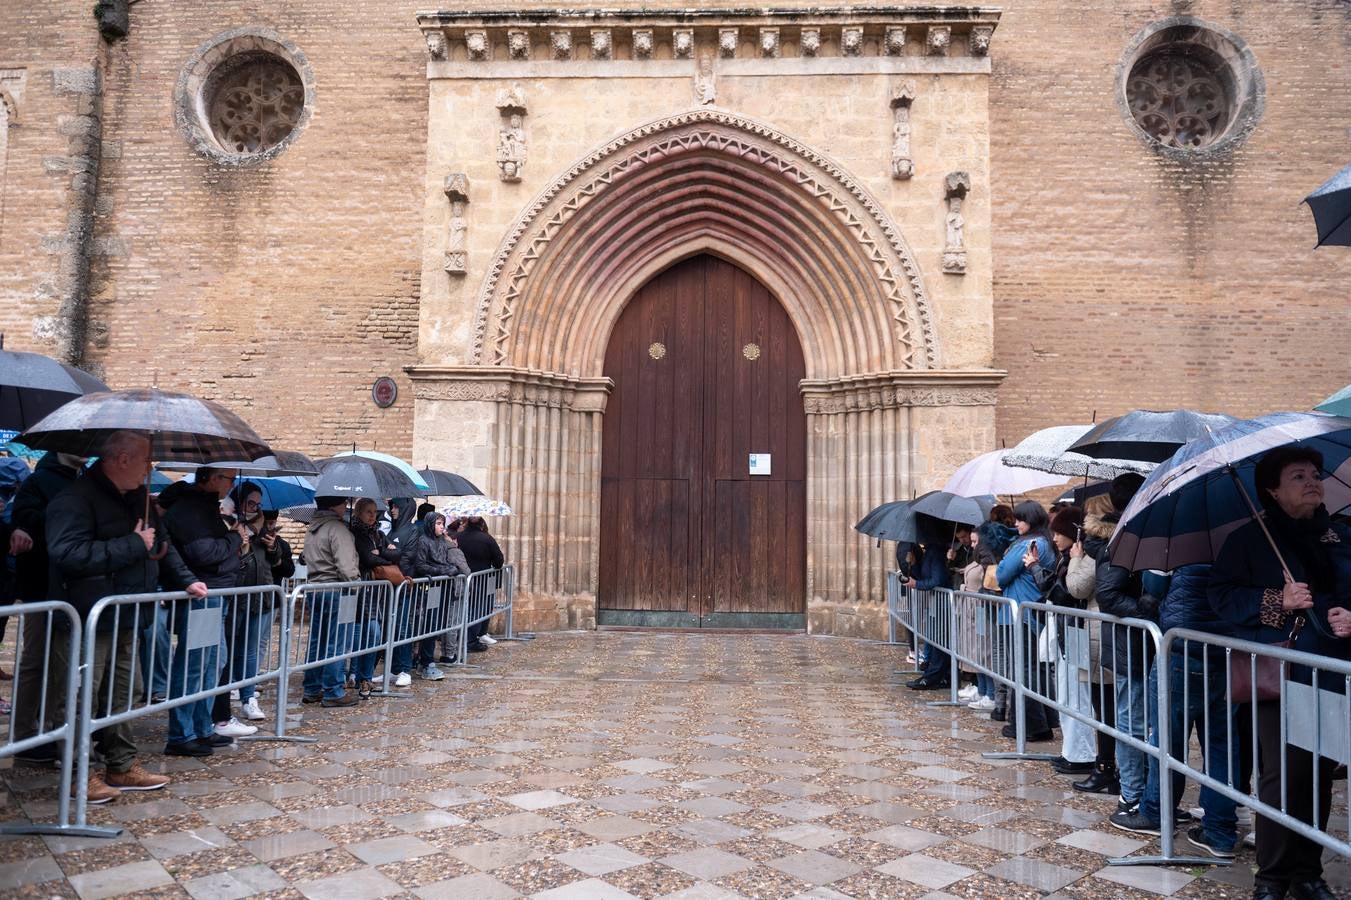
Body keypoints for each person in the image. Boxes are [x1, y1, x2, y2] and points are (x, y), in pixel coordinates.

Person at [1209, 447, 1351, 900]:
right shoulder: (1249, 541)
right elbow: (1222, 600)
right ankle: (1272, 876)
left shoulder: (1340, 536)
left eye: (1315, 474)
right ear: (1272, 489)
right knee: (1281, 775)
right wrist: (1276, 601)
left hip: (1329, 670)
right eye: (1297, 476)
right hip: (1279, 670)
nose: (1312, 482)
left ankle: (1308, 872)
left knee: (1319, 773)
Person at [46, 430, 207, 802]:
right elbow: (68, 553)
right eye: (145, 460)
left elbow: (162, 546)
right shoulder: (74, 499)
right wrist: (132, 544)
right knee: (79, 695)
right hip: (86, 617)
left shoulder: (137, 500)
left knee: (124, 693)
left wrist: (187, 581)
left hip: (126, 614)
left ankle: (121, 764)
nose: (149, 468)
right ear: (122, 459)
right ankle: (76, 774)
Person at [158, 467, 258, 754]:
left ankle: (202, 726)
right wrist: (235, 538)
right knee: (195, 664)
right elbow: (204, 553)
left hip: (215, 592)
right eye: (228, 478)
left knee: (215, 661)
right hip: (203, 594)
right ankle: (182, 733)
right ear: (212, 479)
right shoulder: (190, 510)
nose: (231, 484)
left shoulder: (204, 508)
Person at [1093, 473, 1162, 820]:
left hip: (1144, 647)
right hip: (1130, 647)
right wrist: (1146, 610)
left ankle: (1147, 793)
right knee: (1131, 721)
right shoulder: (1122, 539)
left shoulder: (1139, 534)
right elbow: (1107, 594)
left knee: (1145, 722)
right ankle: (1131, 794)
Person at [9, 451, 84, 766]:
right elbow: (25, 519)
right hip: (42, 585)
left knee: (65, 664)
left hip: (74, 586)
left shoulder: (85, 482)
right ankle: (24, 735)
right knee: (36, 660)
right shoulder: (38, 481)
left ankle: (54, 730)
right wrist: (66, 512)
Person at [1028, 507, 1096, 777]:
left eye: (1059, 532)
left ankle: (1082, 755)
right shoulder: (1066, 558)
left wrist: (1034, 567)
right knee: (1066, 694)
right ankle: (1072, 751)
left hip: (1075, 632)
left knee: (1077, 696)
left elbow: (1065, 592)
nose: (1054, 538)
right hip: (1065, 632)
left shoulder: (1079, 558)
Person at [1065, 492, 1119, 796]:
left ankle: (1106, 767)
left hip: (1100, 633)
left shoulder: (1097, 548)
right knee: (1117, 708)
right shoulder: (1126, 540)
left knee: (1106, 708)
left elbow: (1078, 587)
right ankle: (1114, 768)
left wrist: (1075, 561)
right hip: (1115, 635)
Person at [994, 500, 1058, 742]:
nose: (1016, 523)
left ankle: (1032, 726)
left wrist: (1007, 554)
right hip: (1030, 613)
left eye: (1020, 519)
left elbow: (1002, 574)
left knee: (1027, 671)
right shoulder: (1044, 541)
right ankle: (1041, 723)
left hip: (1023, 614)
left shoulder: (1031, 544)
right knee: (1035, 670)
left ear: (1031, 520)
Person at [229, 481, 288, 722]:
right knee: (232, 647)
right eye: (250, 503)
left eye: (258, 504)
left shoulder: (265, 528)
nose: (255, 508)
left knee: (252, 649)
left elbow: (276, 563)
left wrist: (273, 548)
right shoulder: (231, 525)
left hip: (262, 593)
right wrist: (239, 542)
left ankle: (248, 697)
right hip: (237, 593)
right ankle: (227, 692)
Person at [301, 496, 361, 707]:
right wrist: (355, 583)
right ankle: (334, 691)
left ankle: (312, 687)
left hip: (315, 587)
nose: (346, 507)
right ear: (335, 505)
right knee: (337, 641)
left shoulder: (313, 528)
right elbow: (345, 566)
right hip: (336, 588)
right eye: (343, 503)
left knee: (318, 640)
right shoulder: (337, 529)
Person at [404, 511, 468, 676]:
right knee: (428, 625)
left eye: (442, 523)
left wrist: (450, 568)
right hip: (429, 587)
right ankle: (425, 661)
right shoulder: (424, 541)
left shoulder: (441, 541)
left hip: (442, 587)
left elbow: (446, 559)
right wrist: (442, 571)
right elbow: (421, 564)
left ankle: (427, 660)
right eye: (438, 524)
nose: (441, 527)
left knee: (436, 625)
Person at [349, 498, 400, 698]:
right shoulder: (356, 534)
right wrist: (386, 555)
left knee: (374, 635)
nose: (372, 515)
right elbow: (367, 558)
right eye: (368, 512)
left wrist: (383, 554)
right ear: (358, 513)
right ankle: (358, 676)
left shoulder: (378, 534)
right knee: (366, 634)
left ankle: (366, 677)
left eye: (374, 511)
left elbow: (400, 555)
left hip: (376, 593)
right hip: (361, 590)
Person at [906, 534, 954, 690]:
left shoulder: (935, 553)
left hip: (942, 603)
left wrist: (917, 584)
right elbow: (925, 575)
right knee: (934, 638)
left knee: (939, 640)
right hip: (935, 602)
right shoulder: (929, 552)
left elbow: (937, 580)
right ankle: (939, 674)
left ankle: (934, 676)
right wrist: (913, 564)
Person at [960, 528, 999, 711]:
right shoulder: (976, 560)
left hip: (981, 608)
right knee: (975, 652)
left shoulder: (988, 562)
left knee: (985, 652)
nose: (972, 545)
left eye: (975, 542)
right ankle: (982, 690)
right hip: (972, 608)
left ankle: (990, 693)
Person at [455, 517, 504, 653]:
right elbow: (499, 560)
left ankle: (461, 637)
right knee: (477, 610)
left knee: (461, 609)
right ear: (482, 524)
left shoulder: (459, 537)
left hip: (462, 578)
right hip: (481, 579)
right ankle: (470, 640)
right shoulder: (487, 539)